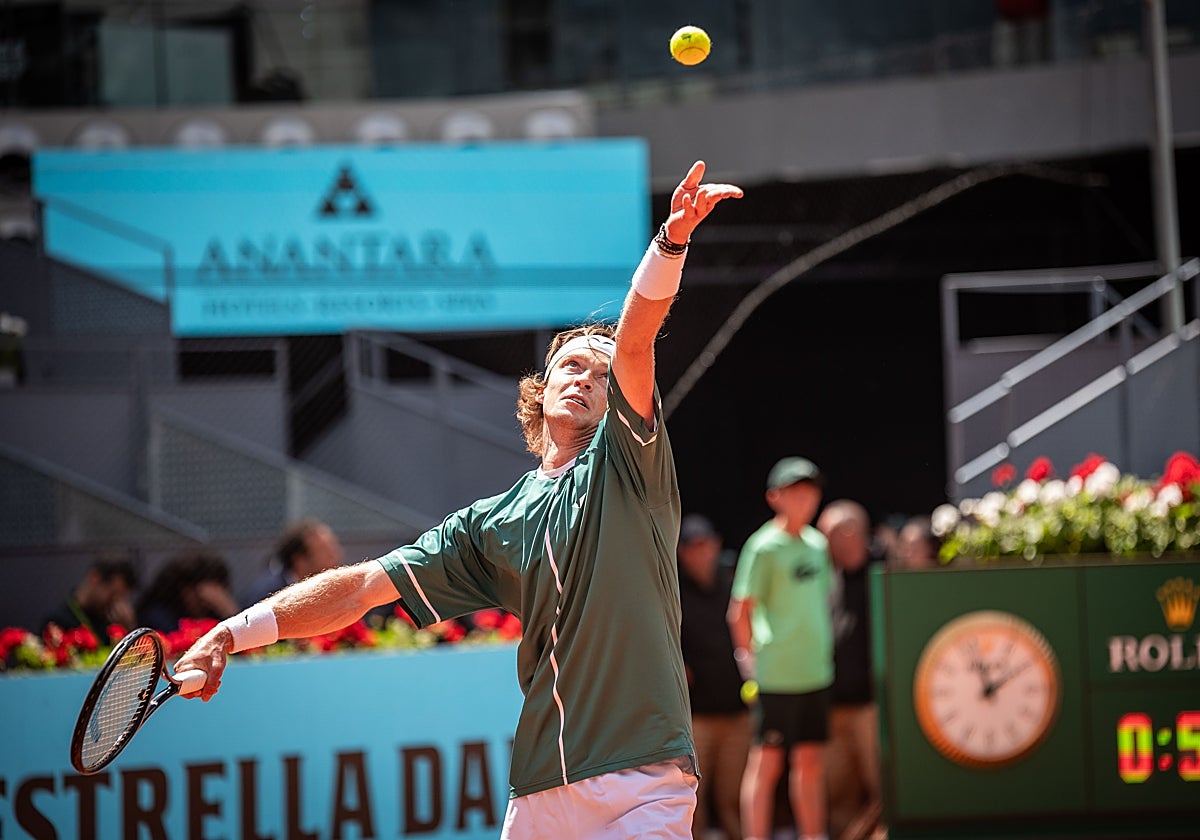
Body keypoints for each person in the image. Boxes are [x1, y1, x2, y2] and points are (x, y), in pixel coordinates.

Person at [173, 160, 743, 839]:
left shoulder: (630, 461)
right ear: (542, 387)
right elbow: (359, 590)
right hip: (540, 792)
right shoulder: (489, 525)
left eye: (602, 368)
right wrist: (228, 634)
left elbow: (640, 334)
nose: (587, 377)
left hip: (642, 780)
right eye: (572, 364)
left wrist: (670, 242)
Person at [729, 456, 833, 840]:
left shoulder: (818, 545)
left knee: (811, 761)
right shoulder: (762, 547)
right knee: (767, 762)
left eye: (810, 491)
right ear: (775, 497)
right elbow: (739, 612)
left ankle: (813, 835)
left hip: (816, 673)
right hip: (775, 677)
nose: (805, 499)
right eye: (795, 491)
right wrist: (750, 668)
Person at [678, 513, 751, 840]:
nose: (700, 553)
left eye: (705, 545)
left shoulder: (735, 585)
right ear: (681, 553)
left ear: (717, 545)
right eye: (692, 548)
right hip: (696, 722)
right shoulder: (672, 595)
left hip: (738, 715)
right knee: (692, 803)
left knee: (737, 800)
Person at [816, 500, 883, 840]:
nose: (822, 544)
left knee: (881, 788)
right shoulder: (826, 578)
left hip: (871, 706)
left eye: (826, 535)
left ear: (849, 533)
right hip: (833, 706)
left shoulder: (885, 571)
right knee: (837, 792)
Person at [240, 517, 346, 606]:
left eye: (334, 548)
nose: (336, 557)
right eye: (325, 552)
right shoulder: (268, 599)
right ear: (300, 561)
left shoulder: (336, 592)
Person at [137, 549, 240, 632]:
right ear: (186, 590)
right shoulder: (158, 615)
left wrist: (229, 612)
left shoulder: (215, 612)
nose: (208, 603)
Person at [42, 553, 138, 636]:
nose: (116, 605)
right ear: (95, 578)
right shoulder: (57, 623)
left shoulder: (113, 623)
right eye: (112, 595)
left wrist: (129, 630)